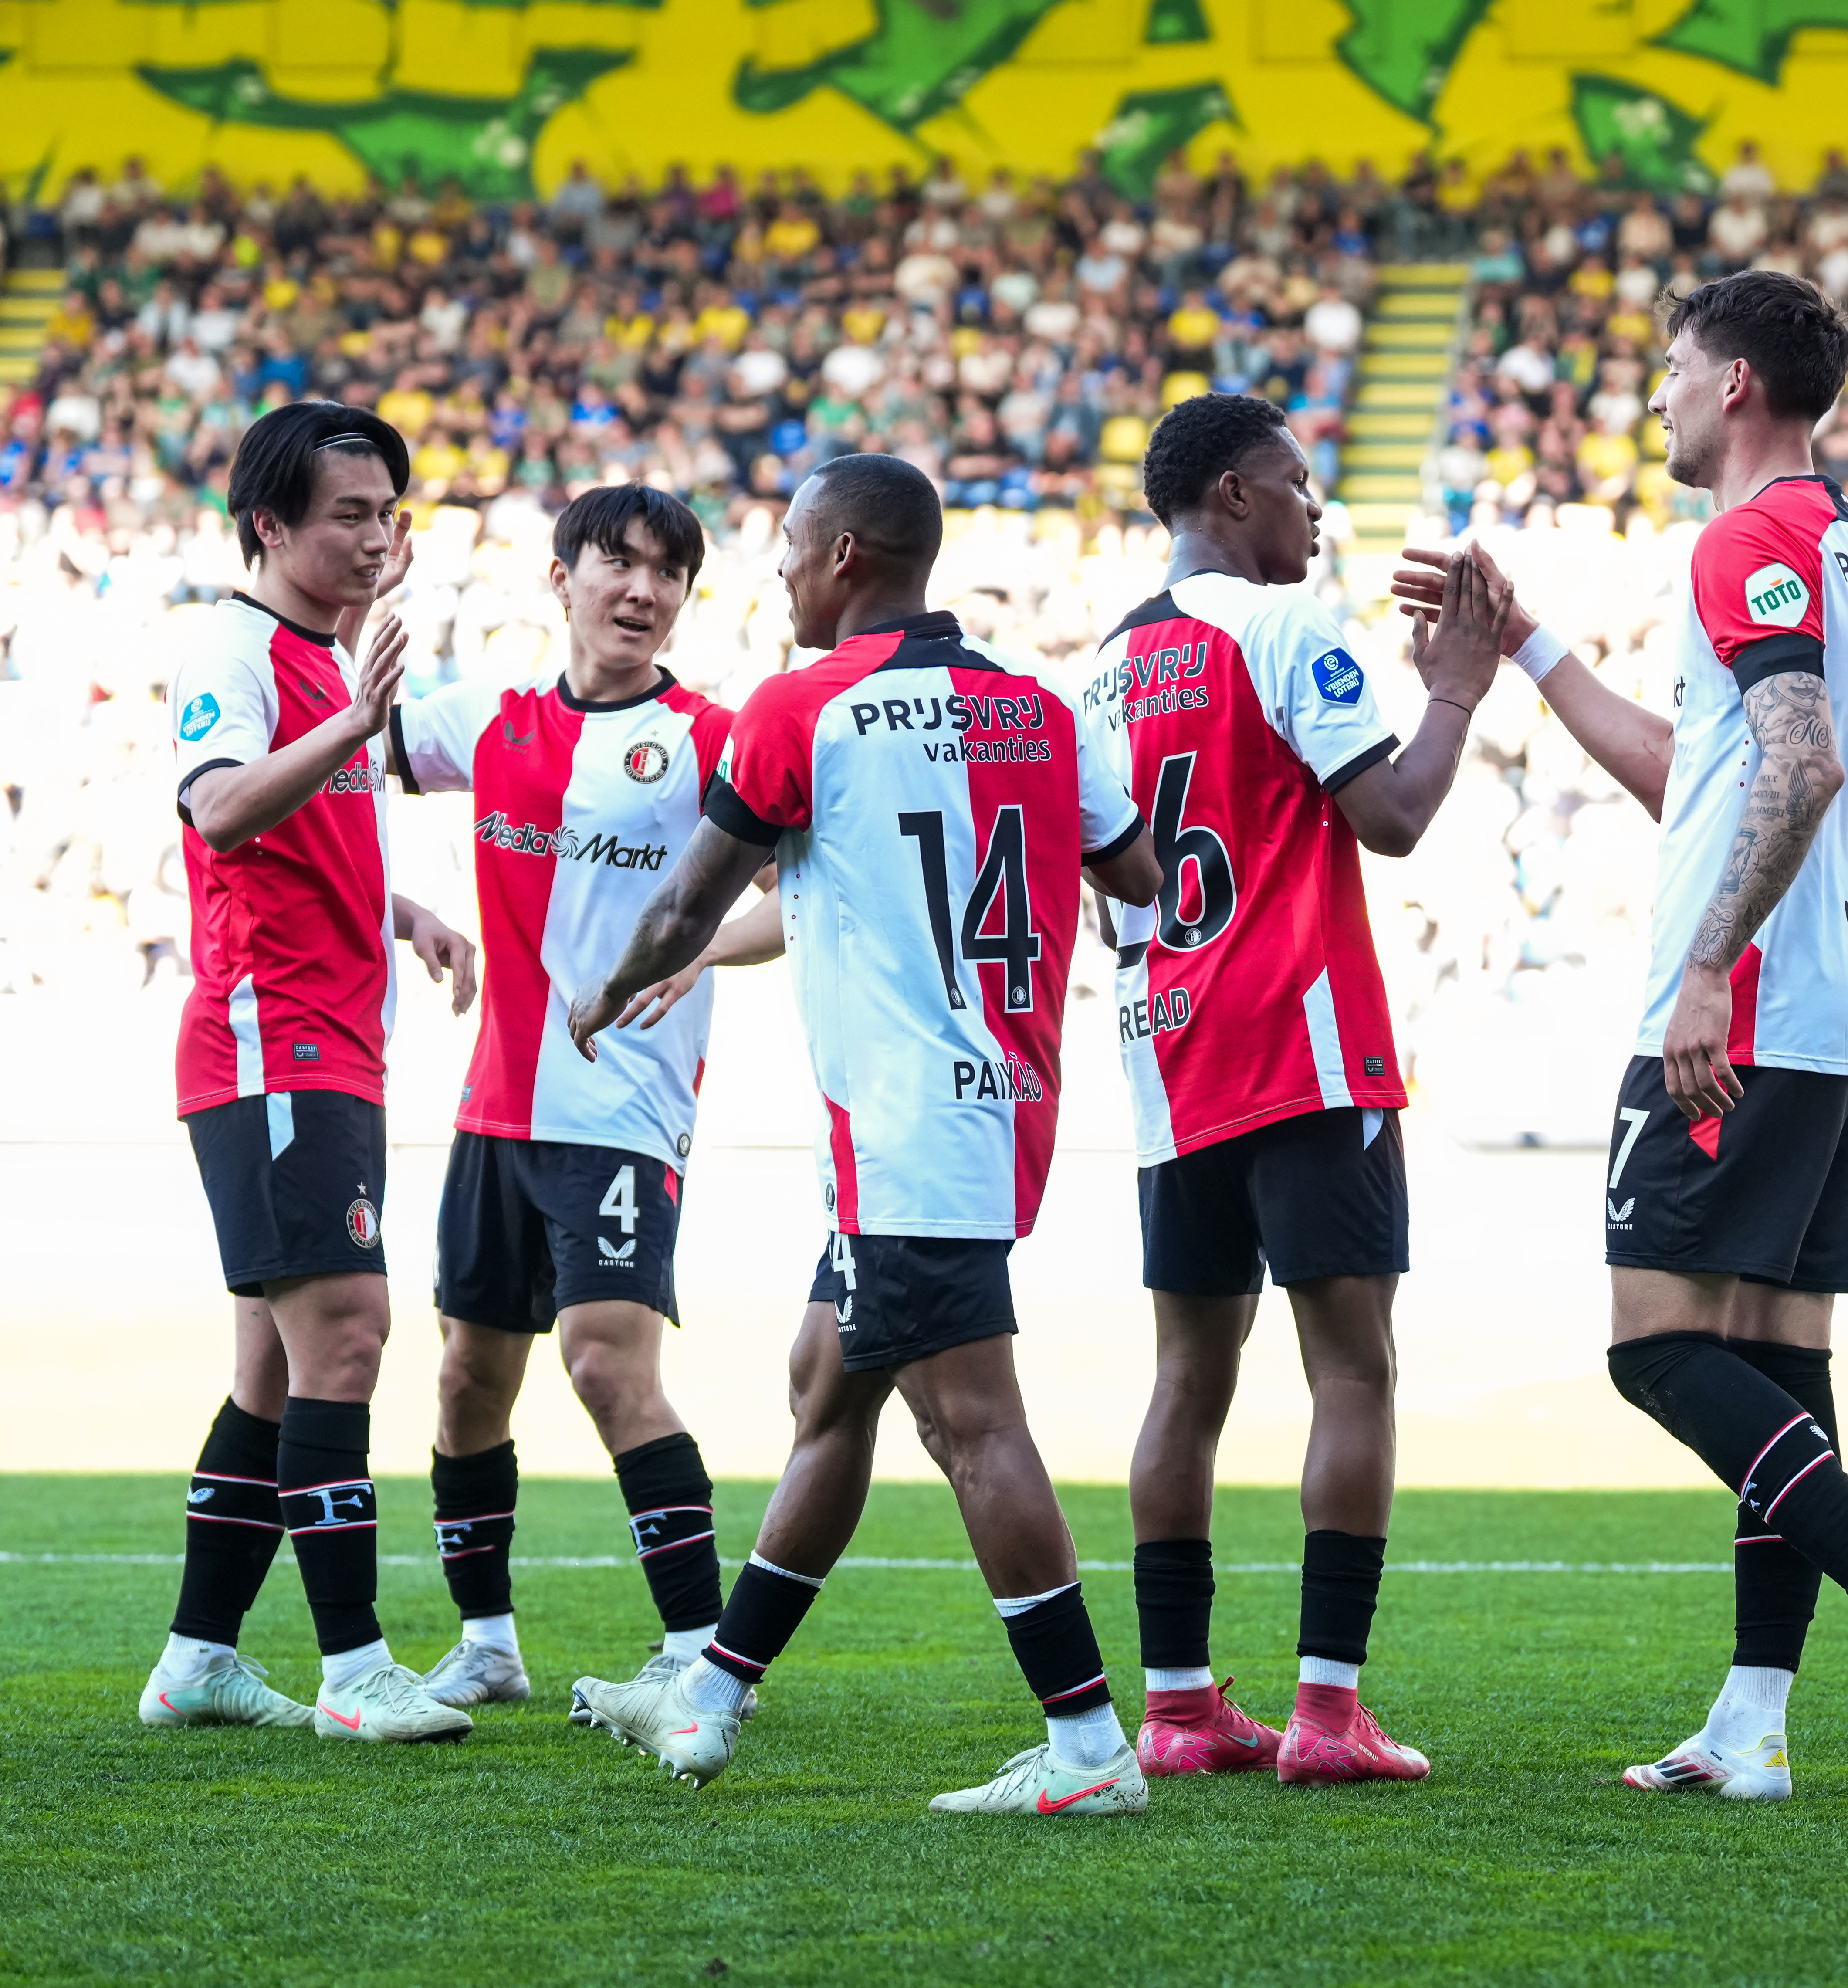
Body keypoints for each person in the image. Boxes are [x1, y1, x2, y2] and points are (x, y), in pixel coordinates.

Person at [1395, 269, 1848, 1812]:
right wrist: (1530, 650)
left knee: (1655, 1347)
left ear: (1733, 383)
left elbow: (1792, 769)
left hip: (1764, 1009)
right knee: (1772, 1362)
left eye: (1673, 367)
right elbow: (1714, 770)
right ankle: (1749, 1725)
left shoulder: (1749, 538)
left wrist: (1705, 972)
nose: (1657, 393)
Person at [559, 454, 1165, 1815]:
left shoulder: (801, 708)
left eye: (785, 544)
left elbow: (686, 896)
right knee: (828, 1379)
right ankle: (709, 1690)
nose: (772, 567)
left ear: (842, 557)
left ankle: (1085, 1748)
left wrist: (609, 990)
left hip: (904, 1123)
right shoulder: (1035, 706)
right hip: (993, 1100)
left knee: (971, 1425)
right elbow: (1135, 877)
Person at [1090, 392, 1494, 1784]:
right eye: (1300, 484)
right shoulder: (1280, 627)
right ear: (1238, 494)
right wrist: (1454, 690)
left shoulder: (1105, 666)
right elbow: (1388, 819)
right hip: (1301, 1043)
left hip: (1165, 1050)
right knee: (1353, 1368)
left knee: (1185, 1380)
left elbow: (1112, 883)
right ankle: (1327, 1714)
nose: (1318, 512)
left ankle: (1179, 1706)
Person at [390, 483, 778, 1711]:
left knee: (607, 1365)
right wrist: (405, 911)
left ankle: (694, 1650)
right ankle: (488, 1641)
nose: (642, 592)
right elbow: (330, 779)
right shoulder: (482, 721)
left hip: (621, 1108)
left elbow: (795, 898)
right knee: (465, 1380)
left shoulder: (716, 739)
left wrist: (705, 950)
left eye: (667, 574)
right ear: (559, 579)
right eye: (618, 563)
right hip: (493, 1108)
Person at [136, 399, 481, 1747]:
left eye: (389, 512)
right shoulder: (235, 644)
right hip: (272, 1043)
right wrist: (360, 724)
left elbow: (301, 839)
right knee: (346, 1336)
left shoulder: (322, 659)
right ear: (269, 525)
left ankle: (199, 1661)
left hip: (327, 1037)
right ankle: (355, 1669)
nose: (377, 536)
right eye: (349, 512)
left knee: (277, 1375)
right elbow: (219, 806)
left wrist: (408, 912)